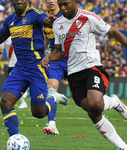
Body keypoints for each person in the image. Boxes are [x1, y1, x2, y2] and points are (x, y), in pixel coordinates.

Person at [41, 0, 127, 149]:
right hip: (73, 74)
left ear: (74, 2)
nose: (63, 8)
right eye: (61, 5)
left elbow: (114, 32)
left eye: (66, 4)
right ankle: (123, 147)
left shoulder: (89, 17)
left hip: (92, 67)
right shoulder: (57, 24)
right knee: (93, 112)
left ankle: (114, 102)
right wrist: (48, 57)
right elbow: (59, 52)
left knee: (95, 103)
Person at [0, 0, 68, 137]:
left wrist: (50, 20)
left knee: (38, 113)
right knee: (5, 101)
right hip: (20, 68)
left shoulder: (35, 14)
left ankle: (52, 98)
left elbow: (45, 20)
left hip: (36, 67)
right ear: (12, 1)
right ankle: (15, 138)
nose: (19, 1)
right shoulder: (10, 19)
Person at [43, 0, 68, 135]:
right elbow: (46, 37)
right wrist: (44, 52)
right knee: (50, 88)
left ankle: (111, 102)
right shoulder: (44, 18)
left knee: (87, 98)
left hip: (72, 58)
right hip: (55, 58)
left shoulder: (65, 14)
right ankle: (52, 124)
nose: (51, 1)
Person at [3, 36, 28, 109]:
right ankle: (23, 102)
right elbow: (0, 49)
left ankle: (26, 89)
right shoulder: (6, 38)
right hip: (11, 64)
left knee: (20, 81)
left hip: (21, 63)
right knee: (12, 85)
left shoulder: (21, 35)